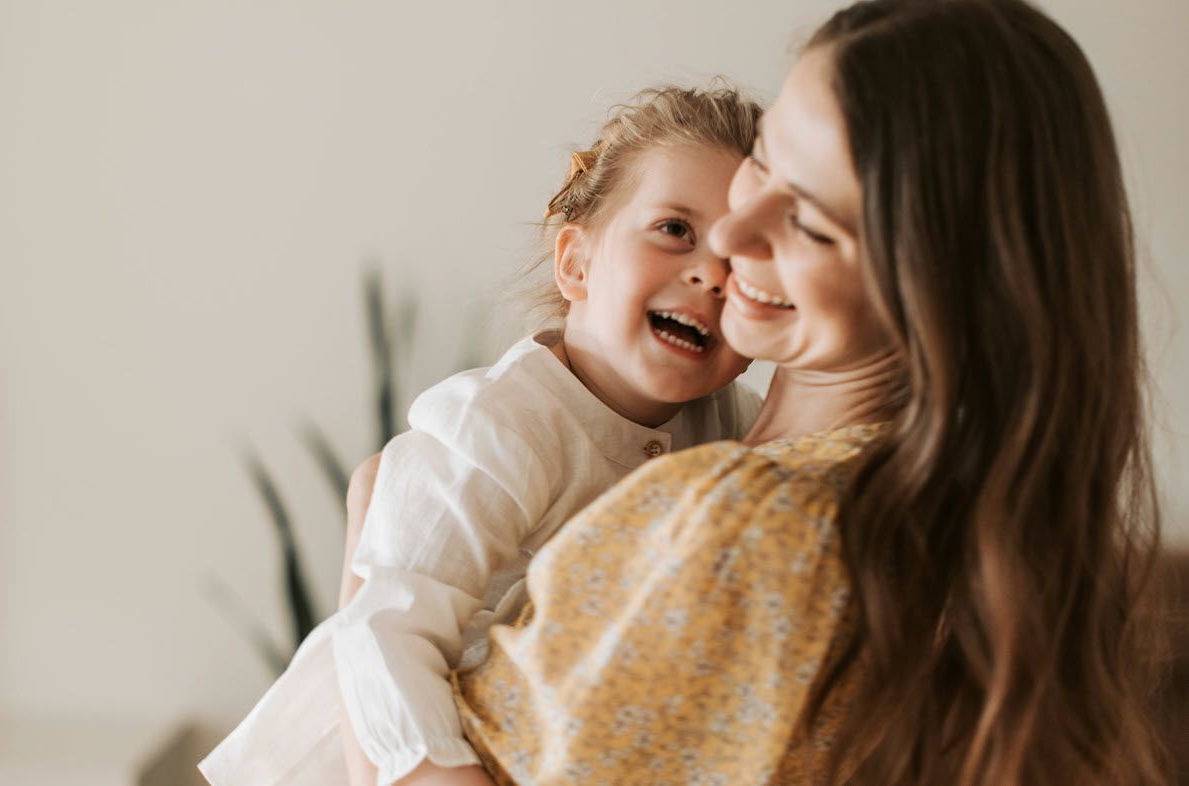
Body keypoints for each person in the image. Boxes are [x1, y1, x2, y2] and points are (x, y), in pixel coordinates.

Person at [345, 1, 1169, 784]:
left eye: (809, 223)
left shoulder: (757, 528)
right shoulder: (932, 527)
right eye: (764, 163)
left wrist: (361, 564)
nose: (732, 239)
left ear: (938, 293)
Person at [198, 85, 767, 786]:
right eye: (675, 229)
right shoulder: (501, 424)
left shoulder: (733, 423)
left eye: (745, 259)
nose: (711, 273)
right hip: (378, 751)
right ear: (576, 265)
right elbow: (387, 631)